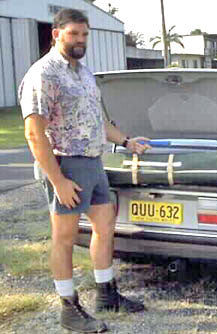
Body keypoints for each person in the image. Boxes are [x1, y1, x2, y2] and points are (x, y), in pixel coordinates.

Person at [19, 8, 150, 333]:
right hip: (65, 163)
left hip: (93, 163)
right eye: (74, 34)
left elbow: (96, 121)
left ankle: (106, 294)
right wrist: (58, 180)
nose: (80, 40)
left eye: (84, 34)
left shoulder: (83, 72)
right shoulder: (44, 74)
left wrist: (127, 141)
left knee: (104, 227)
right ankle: (68, 308)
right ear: (56, 34)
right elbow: (34, 132)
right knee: (64, 238)